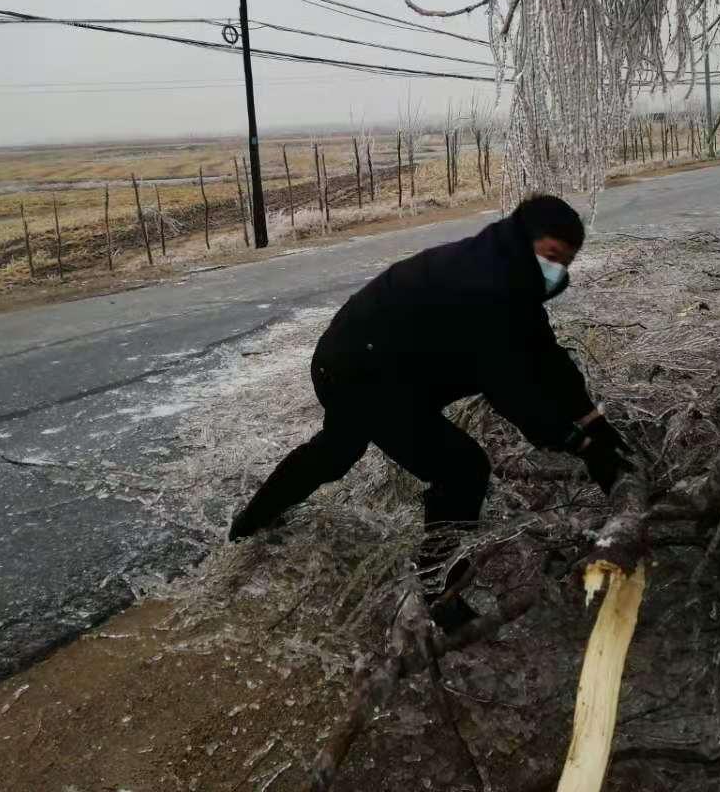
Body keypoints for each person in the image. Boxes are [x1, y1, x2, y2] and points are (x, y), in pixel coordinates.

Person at [227, 193, 632, 630]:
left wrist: (594, 421)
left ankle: (251, 521)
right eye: (552, 257)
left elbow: (545, 358)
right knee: (460, 467)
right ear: (524, 239)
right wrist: (580, 444)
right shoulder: (486, 282)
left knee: (337, 449)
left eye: (566, 264)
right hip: (356, 368)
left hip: (376, 363)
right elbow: (509, 390)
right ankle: (440, 590)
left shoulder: (509, 274)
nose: (559, 272)